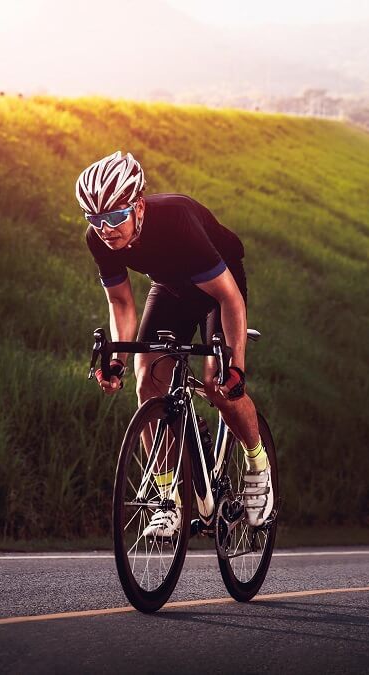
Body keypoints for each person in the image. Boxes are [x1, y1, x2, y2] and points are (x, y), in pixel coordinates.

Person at [77, 151, 272, 538]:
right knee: (146, 377)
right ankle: (167, 500)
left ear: (138, 206)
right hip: (170, 287)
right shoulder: (98, 239)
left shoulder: (178, 221)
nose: (106, 229)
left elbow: (229, 300)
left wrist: (238, 367)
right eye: (95, 220)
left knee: (220, 385)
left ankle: (257, 465)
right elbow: (120, 302)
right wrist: (115, 359)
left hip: (218, 285)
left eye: (115, 217)